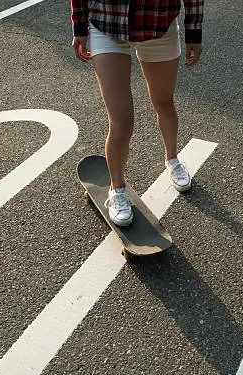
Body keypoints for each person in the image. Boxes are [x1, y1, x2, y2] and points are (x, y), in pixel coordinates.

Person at [70, 0, 204, 226]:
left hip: (158, 26)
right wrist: (79, 26)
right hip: (107, 24)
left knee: (163, 103)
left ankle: (172, 159)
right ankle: (117, 190)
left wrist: (194, 32)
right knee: (121, 120)